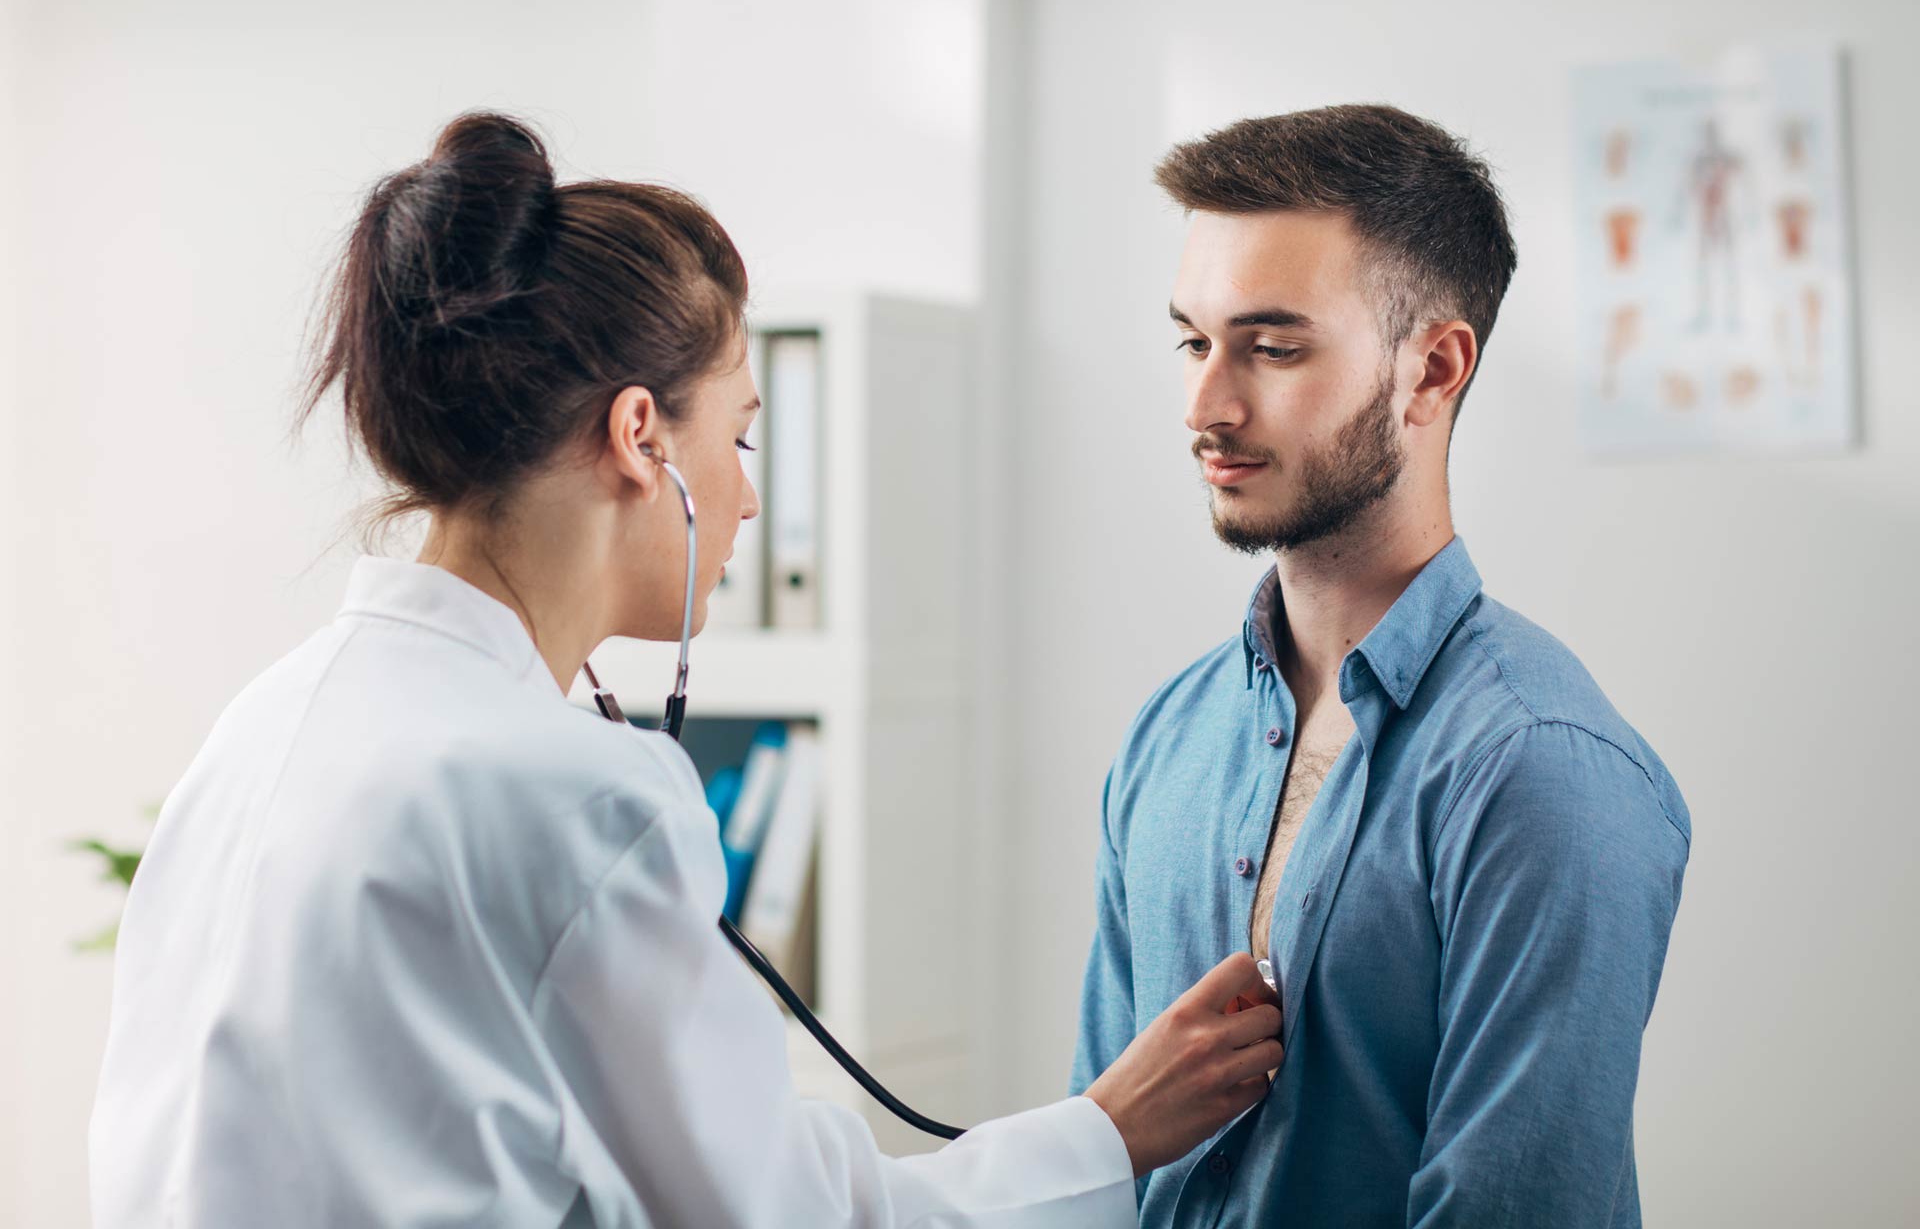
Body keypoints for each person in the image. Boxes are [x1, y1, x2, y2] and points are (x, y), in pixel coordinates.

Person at [87, 112, 1285, 1227]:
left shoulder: (258, 728)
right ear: (638, 436)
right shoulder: (578, 794)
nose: (750, 494)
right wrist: (1106, 1131)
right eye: (740, 435)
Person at [1069, 105, 1692, 1227]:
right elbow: (1092, 1163)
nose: (1206, 404)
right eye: (1193, 341)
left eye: (1273, 345)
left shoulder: (1544, 772)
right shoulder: (1168, 734)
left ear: (1431, 369)